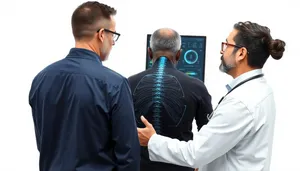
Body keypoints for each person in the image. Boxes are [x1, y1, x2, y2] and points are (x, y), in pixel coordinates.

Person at [137, 21, 286, 171]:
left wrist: (152, 141)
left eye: (227, 45)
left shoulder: (241, 102)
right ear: (179, 54)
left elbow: (195, 153)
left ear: (241, 53)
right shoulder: (260, 90)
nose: (222, 51)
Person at [28, 1, 140, 171]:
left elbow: (44, 144)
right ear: (102, 34)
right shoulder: (115, 84)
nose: (113, 42)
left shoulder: (41, 79)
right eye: (113, 35)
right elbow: (128, 156)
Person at [128, 28, 213, 171]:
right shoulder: (197, 87)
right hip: (180, 167)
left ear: (149, 52)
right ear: (179, 54)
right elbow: (209, 134)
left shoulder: (129, 84)